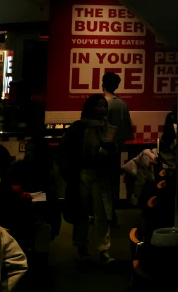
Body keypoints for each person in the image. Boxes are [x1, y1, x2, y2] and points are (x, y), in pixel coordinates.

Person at [62, 94, 116, 263]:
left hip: (97, 174)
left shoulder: (104, 128)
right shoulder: (81, 128)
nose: (102, 109)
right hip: (83, 173)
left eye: (104, 106)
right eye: (99, 105)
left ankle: (101, 248)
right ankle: (85, 246)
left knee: (101, 213)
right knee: (83, 212)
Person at [102, 72, 131, 223]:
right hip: (116, 149)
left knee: (102, 182)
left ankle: (104, 213)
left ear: (103, 84)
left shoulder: (102, 103)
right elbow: (127, 129)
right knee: (113, 182)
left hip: (102, 149)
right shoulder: (122, 104)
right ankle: (111, 212)